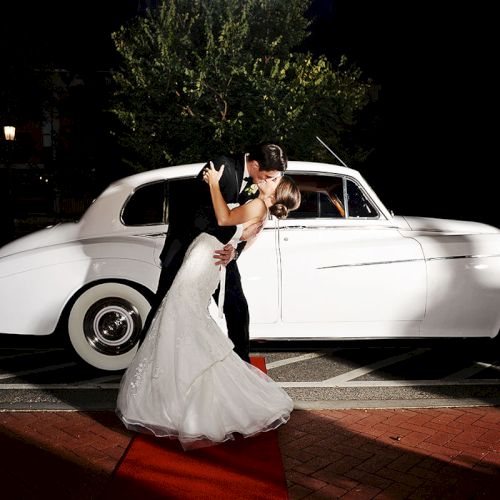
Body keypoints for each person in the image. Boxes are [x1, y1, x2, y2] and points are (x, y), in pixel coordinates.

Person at [116, 161, 301, 450]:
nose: (269, 179)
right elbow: (244, 238)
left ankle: (184, 392)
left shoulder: (257, 205)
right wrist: (234, 250)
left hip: (204, 258)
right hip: (208, 257)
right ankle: (179, 387)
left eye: (275, 180)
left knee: (179, 311)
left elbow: (224, 218)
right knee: (183, 313)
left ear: (276, 194)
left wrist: (214, 183)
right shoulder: (260, 211)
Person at [142, 143, 289, 363]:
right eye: (268, 176)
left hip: (220, 252)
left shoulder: (258, 184)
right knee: (163, 307)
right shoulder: (222, 166)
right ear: (256, 165)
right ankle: (143, 360)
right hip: (188, 250)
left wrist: (234, 250)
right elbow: (197, 214)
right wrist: (232, 234)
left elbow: (241, 220)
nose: (270, 182)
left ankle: (241, 364)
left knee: (237, 306)